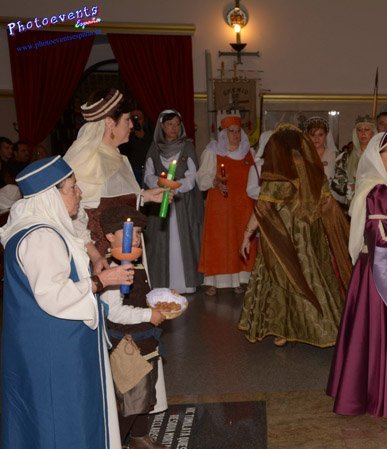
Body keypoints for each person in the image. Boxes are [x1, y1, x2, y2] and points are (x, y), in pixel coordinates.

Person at [1, 156, 133, 449]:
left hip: (48, 342)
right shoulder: (41, 238)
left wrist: (93, 258)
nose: (79, 192)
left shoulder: (41, 227)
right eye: (72, 188)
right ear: (51, 195)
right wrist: (100, 282)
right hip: (52, 348)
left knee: (56, 421)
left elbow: (73, 245)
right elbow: (53, 295)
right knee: (59, 423)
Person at [327, 126, 387, 418]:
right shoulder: (379, 190)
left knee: (368, 332)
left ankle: (366, 388)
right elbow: (380, 237)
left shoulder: (383, 185)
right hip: (384, 269)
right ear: (377, 157)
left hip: (376, 266)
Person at [238, 124, 352, 347]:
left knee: (283, 277)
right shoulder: (314, 170)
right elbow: (328, 203)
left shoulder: (278, 172)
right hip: (310, 235)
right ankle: (326, 327)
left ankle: (285, 330)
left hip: (281, 234)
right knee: (314, 277)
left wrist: (246, 235)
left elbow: (263, 207)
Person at [64, 88, 169, 273]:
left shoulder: (119, 157)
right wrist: (95, 256)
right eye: (127, 119)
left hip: (126, 252)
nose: (132, 125)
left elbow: (114, 200)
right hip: (101, 258)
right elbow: (73, 216)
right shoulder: (88, 160)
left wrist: (145, 196)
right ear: (109, 122)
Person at [99, 205, 170, 449]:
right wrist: (148, 315)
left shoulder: (136, 263)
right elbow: (114, 312)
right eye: (130, 232)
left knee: (145, 394)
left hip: (145, 342)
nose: (137, 238)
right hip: (127, 345)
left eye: (139, 232)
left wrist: (158, 301)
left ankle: (139, 439)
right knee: (130, 399)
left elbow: (139, 296)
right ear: (110, 236)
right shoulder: (111, 269)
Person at [197, 112, 259, 295]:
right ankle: (213, 281)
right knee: (219, 241)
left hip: (243, 206)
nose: (236, 135)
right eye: (231, 131)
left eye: (238, 131)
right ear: (224, 133)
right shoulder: (212, 151)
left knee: (240, 239)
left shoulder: (249, 153)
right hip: (220, 206)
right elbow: (201, 179)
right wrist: (215, 181)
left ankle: (239, 280)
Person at [143, 109, 204, 293]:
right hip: (159, 199)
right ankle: (163, 282)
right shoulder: (155, 148)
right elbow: (148, 175)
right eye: (170, 124)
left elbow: (192, 176)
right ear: (162, 126)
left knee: (183, 240)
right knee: (162, 241)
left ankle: (187, 283)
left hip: (182, 202)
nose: (174, 128)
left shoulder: (187, 147)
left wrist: (176, 186)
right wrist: (161, 185)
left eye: (177, 124)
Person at [331, 115, 376, 206]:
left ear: (373, 132)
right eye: (359, 130)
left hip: (375, 201)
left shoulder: (380, 155)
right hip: (353, 202)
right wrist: (349, 186)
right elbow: (337, 182)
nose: (363, 133)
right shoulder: (346, 157)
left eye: (367, 130)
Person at [121, 109, 153, 187]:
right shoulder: (124, 136)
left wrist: (144, 136)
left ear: (144, 120)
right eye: (134, 118)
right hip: (132, 171)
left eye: (140, 118)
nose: (137, 121)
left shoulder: (152, 133)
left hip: (149, 170)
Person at [303, 116, 337, 184]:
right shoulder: (303, 155)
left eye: (320, 135)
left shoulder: (335, 156)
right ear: (307, 136)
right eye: (313, 135)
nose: (316, 138)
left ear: (326, 135)